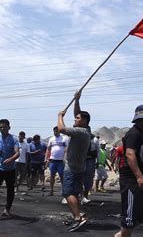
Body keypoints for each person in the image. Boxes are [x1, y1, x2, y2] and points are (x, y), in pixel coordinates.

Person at [115, 104, 143, 237]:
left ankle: (121, 235)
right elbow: (130, 154)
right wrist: (139, 177)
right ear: (140, 119)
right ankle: (124, 233)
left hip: (141, 181)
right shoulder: (133, 134)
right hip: (132, 182)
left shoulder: (142, 134)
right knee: (129, 216)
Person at [57, 91, 91, 232]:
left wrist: (59, 116)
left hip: (72, 168)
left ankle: (78, 218)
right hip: (79, 167)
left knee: (68, 193)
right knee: (74, 193)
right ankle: (77, 214)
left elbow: (61, 129)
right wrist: (77, 100)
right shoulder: (85, 129)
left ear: (83, 121)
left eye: (77, 118)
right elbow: (78, 113)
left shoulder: (80, 132)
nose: (75, 119)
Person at [46, 126, 67, 197]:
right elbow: (48, 149)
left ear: (59, 131)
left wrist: (65, 158)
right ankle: (51, 190)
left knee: (61, 176)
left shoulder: (64, 138)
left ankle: (64, 190)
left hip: (61, 161)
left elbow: (66, 149)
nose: (55, 132)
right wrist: (46, 158)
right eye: (54, 131)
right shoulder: (51, 139)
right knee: (52, 175)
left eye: (56, 131)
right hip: (53, 160)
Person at [81, 134, 98, 204]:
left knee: (88, 179)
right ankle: (82, 196)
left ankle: (86, 195)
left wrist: (98, 161)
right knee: (80, 178)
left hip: (91, 161)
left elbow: (98, 151)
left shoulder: (95, 140)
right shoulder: (81, 138)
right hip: (82, 160)